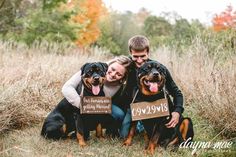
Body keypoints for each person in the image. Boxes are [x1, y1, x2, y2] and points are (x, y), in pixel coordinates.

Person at [119, 35, 184, 138]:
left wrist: (177, 111)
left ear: (148, 53)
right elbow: (110, 68)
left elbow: (176, 92)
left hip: (153, 107)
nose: (139, 60)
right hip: (134, 107)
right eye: (135, 56)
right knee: (123, 135)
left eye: (143, 56)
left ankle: (143, 126)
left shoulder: (158, 69)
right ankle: (136, 125)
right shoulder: (128, 66)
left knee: (154, 131)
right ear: (130, 53)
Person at [62, 55, 132, 137]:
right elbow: (66, 88)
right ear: (109, 65)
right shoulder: (94, 68)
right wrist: (81, 104)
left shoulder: (120, 86)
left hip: (100, 104)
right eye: (112, 69)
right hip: (82, 101)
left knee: (118, 113)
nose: (113, 74)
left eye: (119, 74)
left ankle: (104, 129)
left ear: (123, 78)